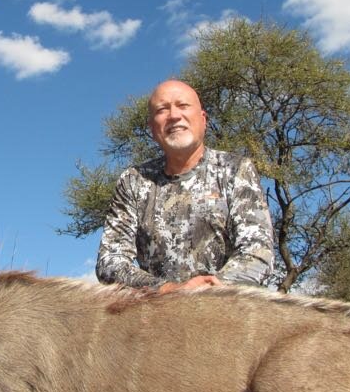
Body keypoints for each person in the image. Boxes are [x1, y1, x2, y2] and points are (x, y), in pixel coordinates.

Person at [96, 79, 274, 293]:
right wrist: (168, 290)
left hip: (226, 310)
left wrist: (209, 291)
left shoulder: (236, 169)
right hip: (158, 313)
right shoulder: (133, 180)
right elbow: (110, 261)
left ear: (203, 119)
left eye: (183, 106)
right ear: (152, 129)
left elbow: (258, 252)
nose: (173, 115)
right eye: (162, 110)